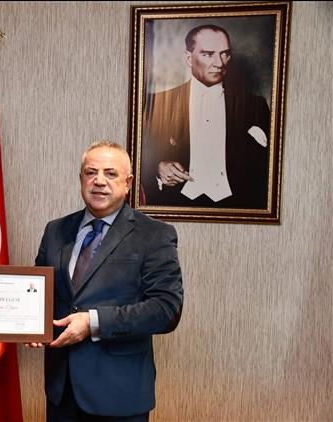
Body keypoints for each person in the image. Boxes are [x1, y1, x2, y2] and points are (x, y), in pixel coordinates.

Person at [30, 141, 183, 421]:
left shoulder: (154, 235)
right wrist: (29, 325)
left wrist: (93, 322)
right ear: (81, 179)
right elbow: (39, 293)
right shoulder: (55, 230)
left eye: (111, 173)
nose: (99, 181)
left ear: (128, 183)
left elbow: (165, 309)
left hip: (119, 395)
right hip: (62, 392)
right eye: (91, 172)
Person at [141, 24, 270, 209]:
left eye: (224, 54)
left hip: (238, 207)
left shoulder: (255, 106)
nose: (219, 63)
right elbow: (136, 156)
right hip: (175, 206)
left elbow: (268, 167)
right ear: (189, 58)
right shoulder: (158, 103)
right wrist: (157, 167)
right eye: (208, 54)